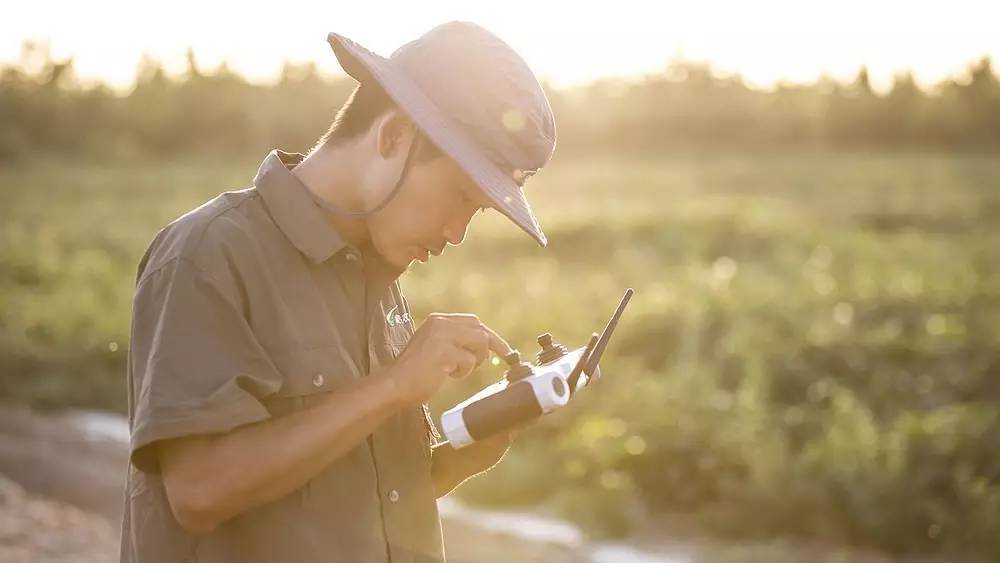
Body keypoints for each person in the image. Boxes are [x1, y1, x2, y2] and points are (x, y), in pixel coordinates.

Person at [120, 21, 557, 563]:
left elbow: (352, 496)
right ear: (393, 136)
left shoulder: (377, 271)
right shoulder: (209, 255)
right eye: (459, 195)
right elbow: (200, 491)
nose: (456, 232)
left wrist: (461, 459)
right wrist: (395, 385)